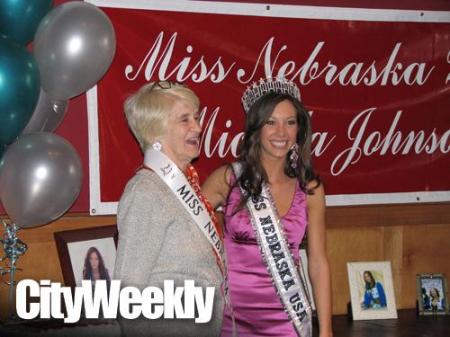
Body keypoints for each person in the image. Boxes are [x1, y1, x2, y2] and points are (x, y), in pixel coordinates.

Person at [202, 77, 333, 337]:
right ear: (256, 128)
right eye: (270, 122)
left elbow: (318, 262)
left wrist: (327, 330)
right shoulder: (227, 179)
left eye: (290, 122)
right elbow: (185, 229)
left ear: (300, 129)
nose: (281, 133)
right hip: (231, 319)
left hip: (287, 319)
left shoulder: (310, 189)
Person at [113, 81, 224, 337]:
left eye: (196, 118)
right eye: (185, 119)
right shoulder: (146, 191)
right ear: (156, 132)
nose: (198, 127)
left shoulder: (186, 185)